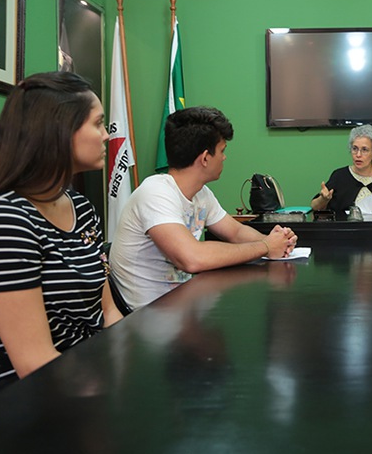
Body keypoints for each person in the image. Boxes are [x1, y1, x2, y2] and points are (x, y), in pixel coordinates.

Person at [0, 71, 123, 399]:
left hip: (83, 369)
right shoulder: (5, 219)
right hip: (22, 395)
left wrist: (133, 363)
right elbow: (33, 362)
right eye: (98, 123)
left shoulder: (81, 207)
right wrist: (114, 392)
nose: (107, 136)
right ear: (59, 131)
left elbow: (108, 312)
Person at [109, 106, 297, 311]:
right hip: (146, 318)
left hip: (182, 307)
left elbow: (235, 232)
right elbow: (192, 258)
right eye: (222, 150)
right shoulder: (155, 192)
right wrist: (266, 246)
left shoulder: (202, 193)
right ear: (205, 158)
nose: (224, 157)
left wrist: (277, 241)